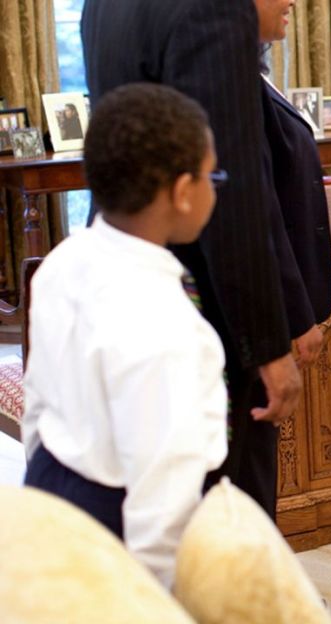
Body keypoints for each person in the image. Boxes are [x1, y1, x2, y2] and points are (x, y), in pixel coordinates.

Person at [82, 0, 304, 514]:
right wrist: (268, 344)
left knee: (151, 483)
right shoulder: (215, 7)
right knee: (224, 501)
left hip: (123, 268)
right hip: (204, 298)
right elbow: (231, 185)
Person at [22, 83, 227, 588]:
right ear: (183, 193)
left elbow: (37, 405)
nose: (215, 188)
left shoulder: (62, 262)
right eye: (211, 176)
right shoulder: (168, 325)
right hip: (120, 520)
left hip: (51, 484)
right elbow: (163, 497)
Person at [249, 0, 331, 516]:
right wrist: (295, 313)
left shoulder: (255, 77)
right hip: (267, 312)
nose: (292, 4)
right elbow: (260, 216)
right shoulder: (232, 89)